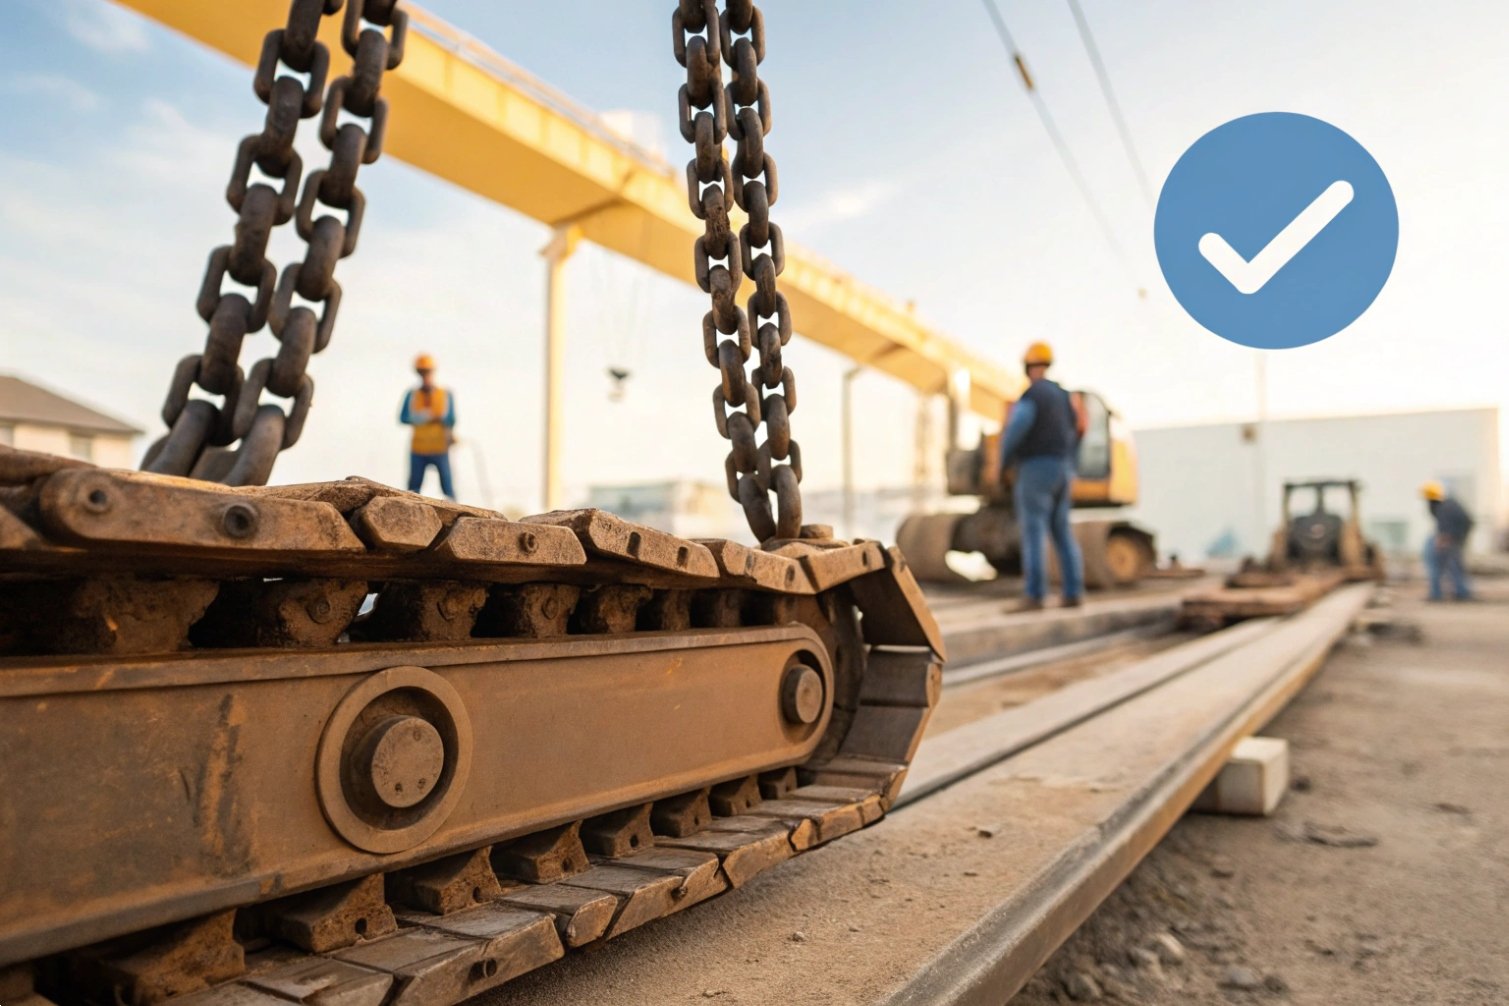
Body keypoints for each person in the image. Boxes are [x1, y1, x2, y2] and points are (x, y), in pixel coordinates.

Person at [998, 341, 1086, 610]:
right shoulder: (1064, 397)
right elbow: (1077, 430)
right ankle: (1073, 593)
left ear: (1027, 368)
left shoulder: (1032, 395)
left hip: (1036, 468)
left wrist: (1002, 463)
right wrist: (1069, 463)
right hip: (1062, 469)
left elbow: (1016, 429)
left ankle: (1035, 595)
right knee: (1062, 531)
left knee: (1033, 530)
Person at [400, 354, 457, 501]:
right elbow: (403, 418)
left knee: (448, 488)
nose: (424, 375)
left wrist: (448, 432)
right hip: (419, 448)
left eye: (427, 372)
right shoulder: (411, 395)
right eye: (422, 372)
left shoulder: (445, 394)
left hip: (440, 447)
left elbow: (451, 419)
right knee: (413, 489)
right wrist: (421, 417)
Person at [1420, 481, 1473, 601]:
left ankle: (1438, 593)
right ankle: (1461, 592)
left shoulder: (1445, 508)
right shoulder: (1449, 504)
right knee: (1455, 566)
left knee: (1437, 563)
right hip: (1455, 539)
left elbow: (1445, 529)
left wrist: (1441, 542)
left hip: (1451, 540)